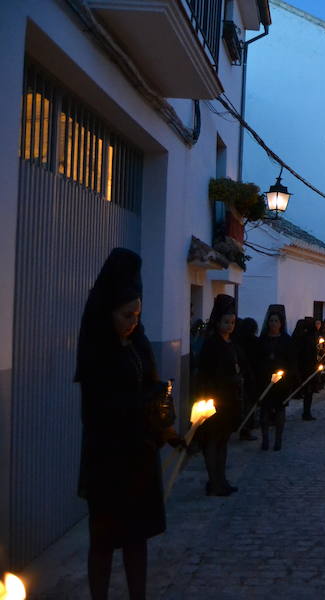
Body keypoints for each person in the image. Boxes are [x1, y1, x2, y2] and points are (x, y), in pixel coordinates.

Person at [76, 248, 182, 600]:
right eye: (125, 314)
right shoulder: (97, 352)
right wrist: (143, 414)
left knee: (137, 539)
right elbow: (105, 408)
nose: (132, 321)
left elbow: (149, 388)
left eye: (137, 313)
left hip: (138, 459)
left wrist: (165, 425)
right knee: (104, 541)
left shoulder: (136, 344)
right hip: (108, 460)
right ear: (107, 311)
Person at [196, 294, 243, 495]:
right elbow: (207, 373)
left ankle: (221, 479)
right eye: (226, 322)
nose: (229, 325)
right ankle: (214, 481)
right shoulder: (212, 344)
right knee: (213, 441)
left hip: (229, 399)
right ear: (217, 322)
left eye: (232, 322)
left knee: (223, 441)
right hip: (214, 400)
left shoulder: (230, 343)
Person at [255, 305, 296, 451]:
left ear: (281, 323)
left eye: (276, 321)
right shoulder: (262, 340)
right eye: (271, 321)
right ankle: (265, 439)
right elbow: (257, 359)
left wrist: (286, 375)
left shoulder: (286, 340)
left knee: (279, 410)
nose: (273, 324)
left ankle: (278, 439)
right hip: (265, 380)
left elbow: (291, 360)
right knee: (264, 411)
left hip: (281, 383)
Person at [233, 318, 259, 441]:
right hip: (249, 375)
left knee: (242, 403)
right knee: (248, 403)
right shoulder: (254, 342)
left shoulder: (236, 340)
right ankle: (246, 429)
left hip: (240, 375)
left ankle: (241, 427)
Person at [292, 318, 318, 421]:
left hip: (308, 368)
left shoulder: (308, 338)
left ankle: (306, 412)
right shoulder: (300, 338)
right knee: (305, 391)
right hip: (301, 368)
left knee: (308, 391)